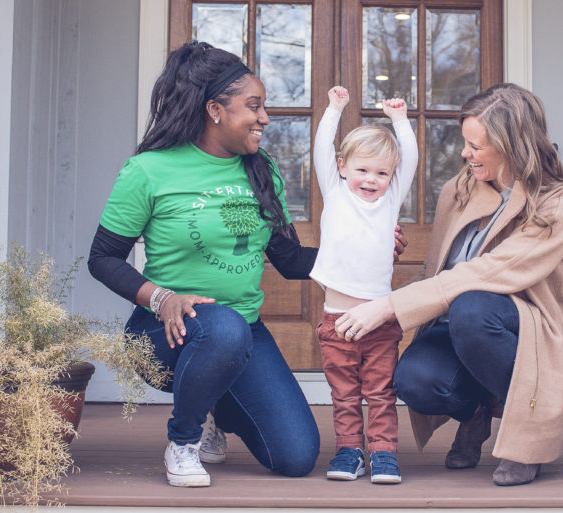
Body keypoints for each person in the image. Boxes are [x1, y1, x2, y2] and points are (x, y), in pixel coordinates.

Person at [88, 42, 406, 488]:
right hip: (164, 331)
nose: (265, 118)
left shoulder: (262, 171)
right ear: (214, 109)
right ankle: (183, 439)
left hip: (242, 332)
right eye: (253, 106)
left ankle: (214, 403)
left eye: (264, 107)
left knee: (295, 456)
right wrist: (161, 299)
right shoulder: (148, 171)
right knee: (221, 326)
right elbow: (101, 258)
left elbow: (292, 260)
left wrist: (366, 252)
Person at [333, 83, 563, 486]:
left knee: (473, 306)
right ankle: (476, 414)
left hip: (520, 326)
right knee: (413, 379)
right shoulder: (459, 189)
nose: (465, 153)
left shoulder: (558, 202)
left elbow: (490, 271)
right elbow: (438, 270)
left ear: (512, 144)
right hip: (452, 323)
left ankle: (525, 435)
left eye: (476, 146)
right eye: (465, 143)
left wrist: (391, 306)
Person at [310, 87, 417, 484]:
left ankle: (384, 453)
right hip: (337, 321)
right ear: (342, 167)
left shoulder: (389, 204)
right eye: (362, 170)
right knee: (344, 395)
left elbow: (411, 160)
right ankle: (350, 451)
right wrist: (334, 110)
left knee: (381, 393)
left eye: (381, 173)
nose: (371, 179)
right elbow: (322, 146)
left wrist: (401, 121)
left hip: (379, 323)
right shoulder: (336, 195)